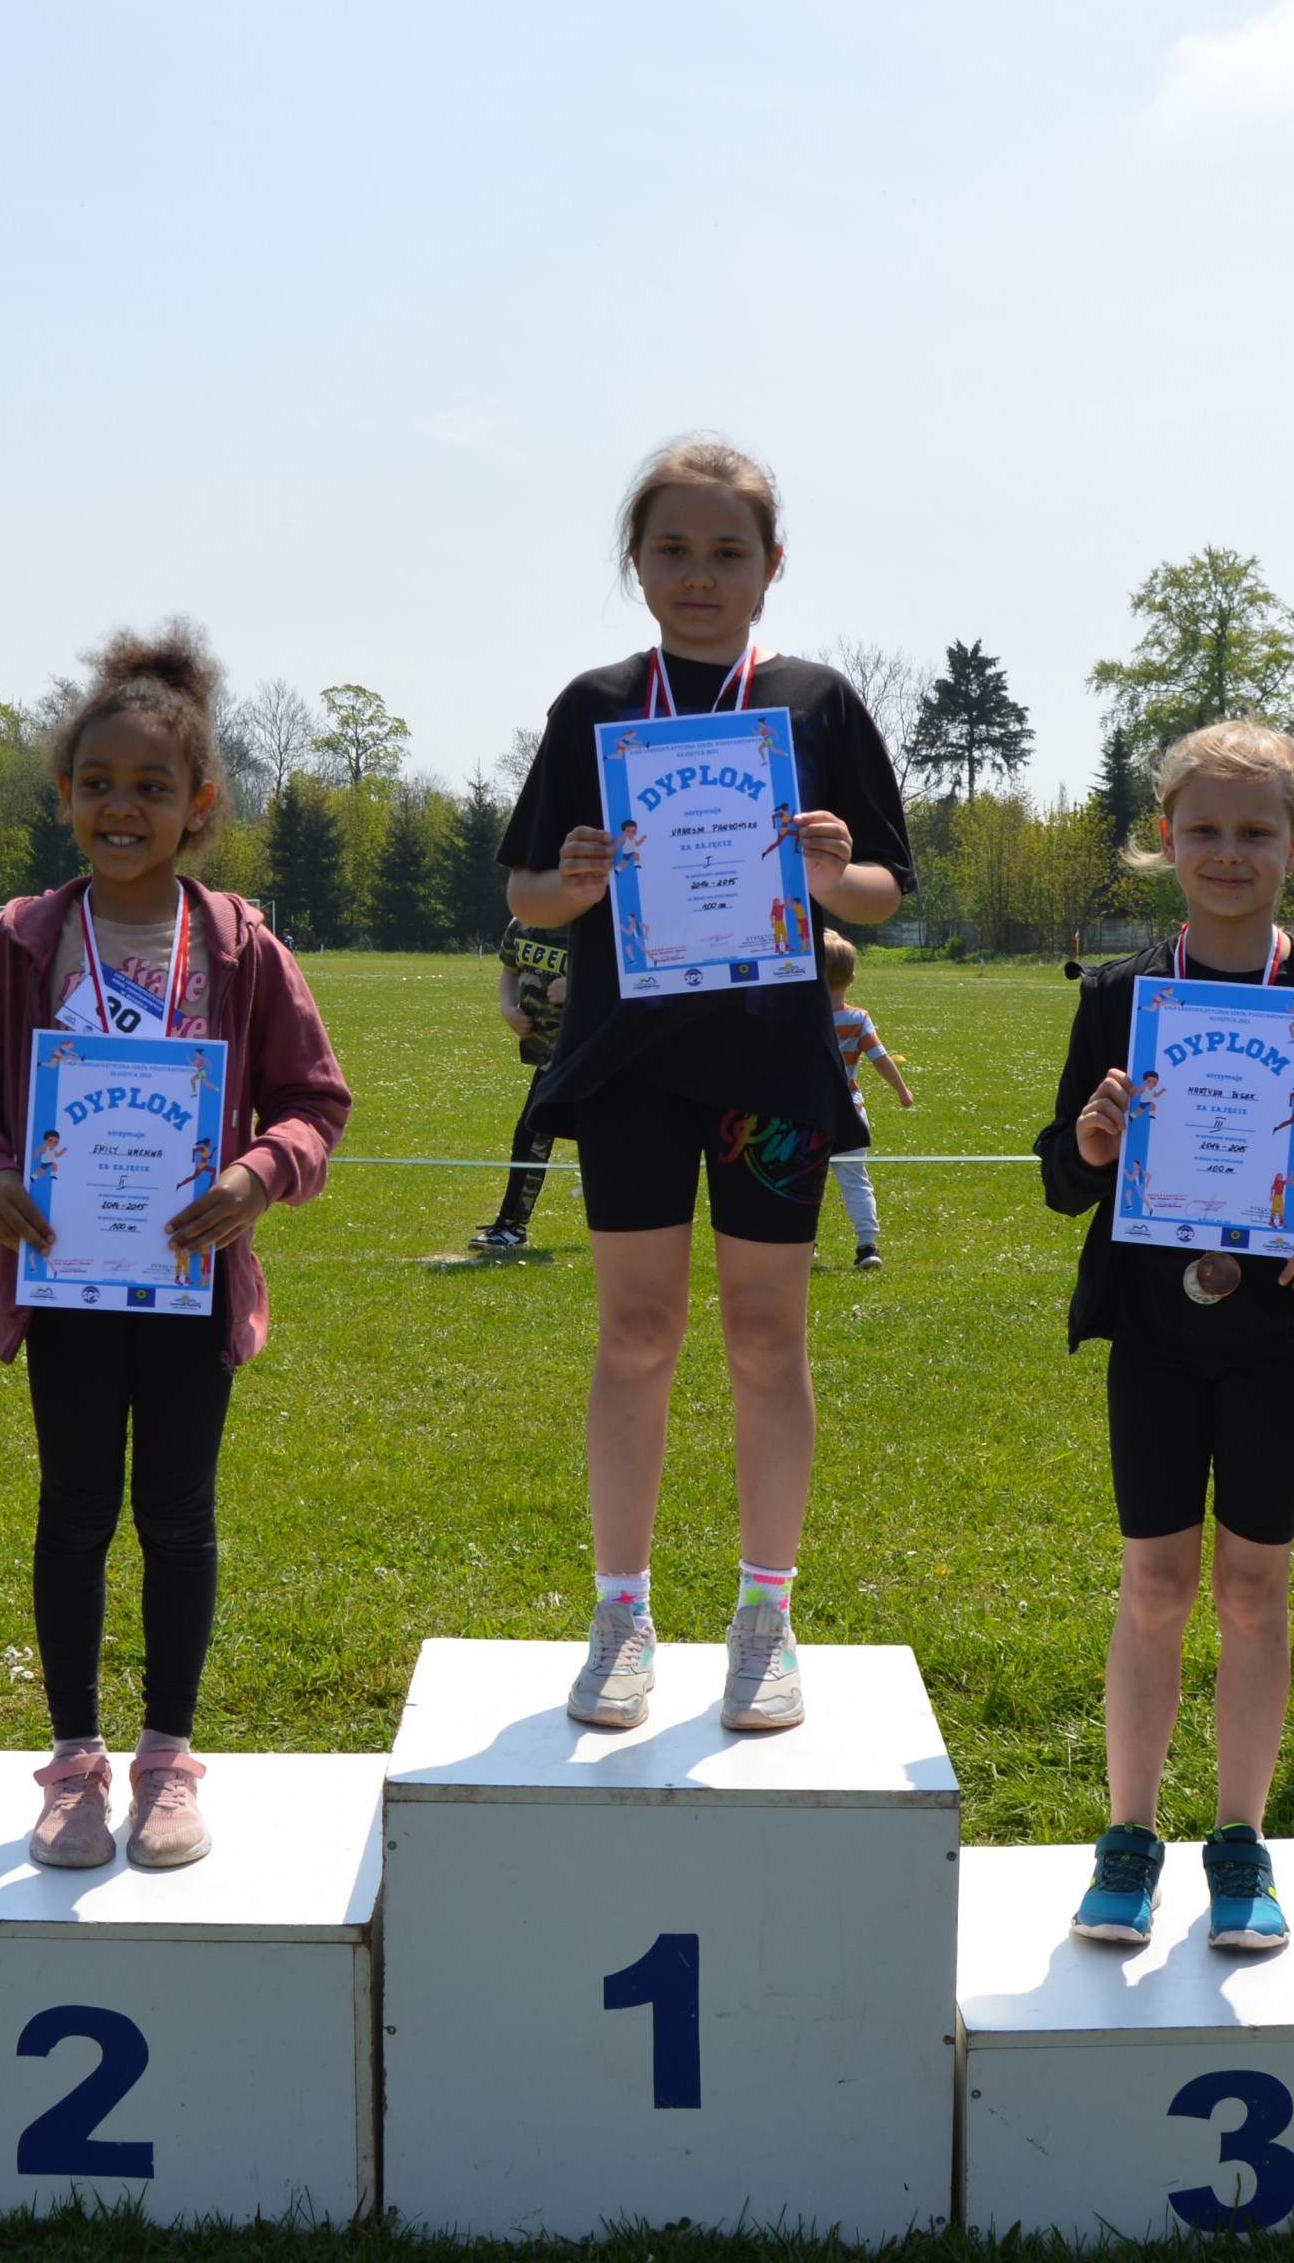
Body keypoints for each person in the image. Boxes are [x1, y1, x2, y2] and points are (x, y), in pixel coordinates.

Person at [499, 436, 912, 1737]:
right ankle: (619, 1613)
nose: (698, 573)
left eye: (726, 551)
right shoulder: (593, 705)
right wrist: (571, 880)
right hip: (631, 1065)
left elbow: (880, 892)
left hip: (767, 1068)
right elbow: (526, 891)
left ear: (770, 565)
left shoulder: (815, 701)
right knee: (635, 1334)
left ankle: (763, 1616)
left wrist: (832, 873)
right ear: (634, 562)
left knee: (763, 1339)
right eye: (671, 548)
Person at [0, 626, 352, 1873]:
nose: (123, 807)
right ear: (65, 794)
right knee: (73, 1515)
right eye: (99, 783)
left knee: (177, 1518)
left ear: (198, 804)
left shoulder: (239, 946)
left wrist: (255, 1173)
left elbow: (313, 1100)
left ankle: (167, 1759)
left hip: (187, 1282)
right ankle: (74, 1766)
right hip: (63, 1281)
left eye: (151, 786)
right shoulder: (22, 942)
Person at [1036, 721, 1294, 1951]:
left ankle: (1238, 1839)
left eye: (1253, 831)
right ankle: (1127, 1836)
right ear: (1165, 841)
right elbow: (1061, 1172)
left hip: (1283, 1333)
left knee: (1254, 1585)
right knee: (1155, 1582)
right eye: (1203, 829)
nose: (1228, 852)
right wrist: (1092, 1145)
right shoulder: (1120, 996)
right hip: (1154, 1330)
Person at [469, 916, 570, 1252]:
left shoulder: (596, 926)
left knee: (537, 1131)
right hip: (549, 1053)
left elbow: (632, 983)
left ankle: (512, 1226)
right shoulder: (522, 923)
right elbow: (510, 971)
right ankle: (512, 1226)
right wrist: (507, 1010)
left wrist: (579, 989)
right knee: (532, 1131)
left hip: (588, 1052)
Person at [822, 928, 913, 1269]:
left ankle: (804, 1244)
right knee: (856, 1182)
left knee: (804, 1183)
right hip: (851, 1112)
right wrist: (902, 1091)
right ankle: (867, 1246)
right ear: (852, 978)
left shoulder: (804, 1018)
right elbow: (880, 1058)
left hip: (809, 1114)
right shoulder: (858, 1019)